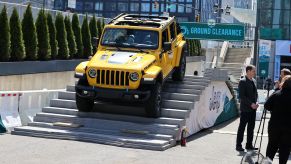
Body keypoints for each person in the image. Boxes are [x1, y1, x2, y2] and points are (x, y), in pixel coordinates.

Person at [265, 75, 291, 164]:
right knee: (285, 149)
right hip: (288, 128)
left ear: (283, 83)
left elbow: (266, 106)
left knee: (271, 147)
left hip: (274, 126)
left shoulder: (276, 94)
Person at [236, 65, 259, 151]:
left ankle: (249, 145)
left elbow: (255, 93)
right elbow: (242, 96)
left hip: (253, 109)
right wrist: (251, 104)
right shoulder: (243, 81)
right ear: (248, 71)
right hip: (245, 109)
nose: (254, 72)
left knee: (251, 128)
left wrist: (256, 102)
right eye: (253, 71)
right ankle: (238, 145)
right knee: (242, 127)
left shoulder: (253, 81)